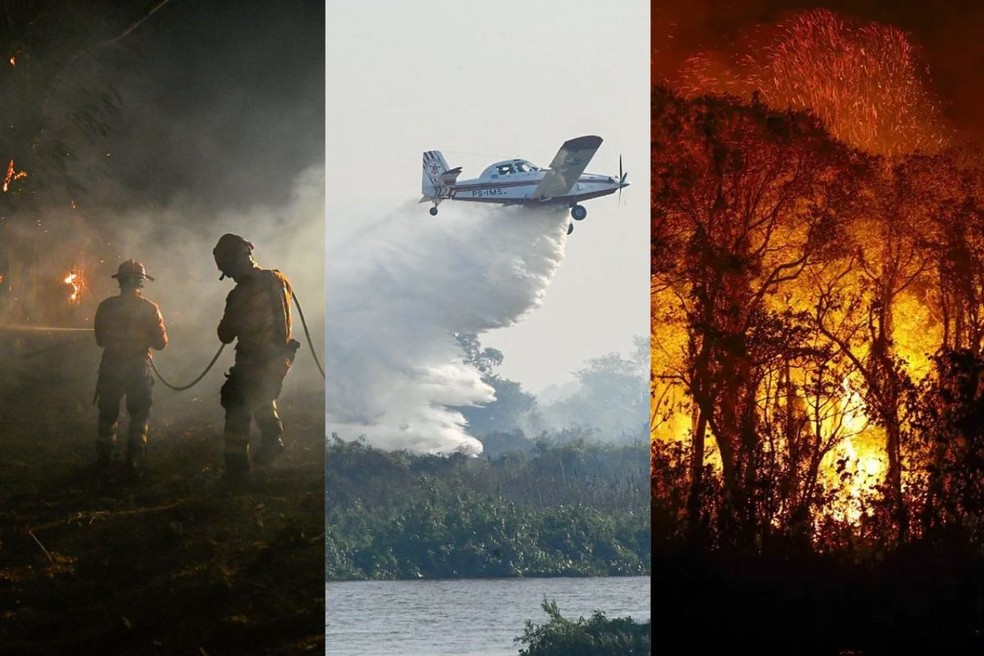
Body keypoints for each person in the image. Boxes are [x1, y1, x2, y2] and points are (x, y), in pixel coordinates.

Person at [212, 233, 299, 478]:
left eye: (228, 271)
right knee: (261, 393)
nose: (231, 276)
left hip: (254, 360)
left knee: (236, 409)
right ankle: (272, 439)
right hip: (280, 359)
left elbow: (225, 335)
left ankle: (236, 472)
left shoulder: (240, 294)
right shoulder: (279, 278)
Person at [93, 259, 168, 474]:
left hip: (111, 367)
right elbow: (161, 344)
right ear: (141, 282)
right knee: (139, 414)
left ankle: (103, 457)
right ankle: (134, 458)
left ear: (120, 281)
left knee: (107, 414)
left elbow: (100, 340)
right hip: (138, 368)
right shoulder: (150, 309)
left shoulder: (106, 306)